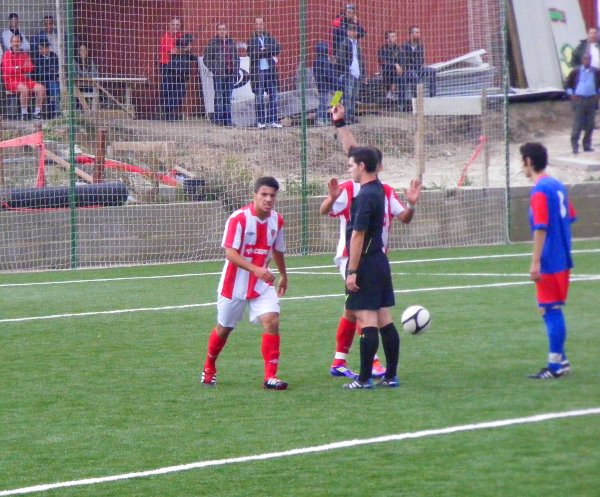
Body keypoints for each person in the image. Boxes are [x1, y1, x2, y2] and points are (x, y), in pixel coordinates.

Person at [321, 103, 422, 385]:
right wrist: (340, 124)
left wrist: (353, 272)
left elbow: (359, 235)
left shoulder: (366, 194)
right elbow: (353, 151)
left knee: (365, 317)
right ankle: (385, 374)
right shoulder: (373, 189)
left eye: (352, 165)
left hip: (362, 260)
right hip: (376, 259)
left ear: (363, 166)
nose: (349, 166)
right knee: (378, 317)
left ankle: (365, 374)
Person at [200, 176, 289, 390]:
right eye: (264, 194)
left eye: (272, 195)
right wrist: (256, 269)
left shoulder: (277, 220)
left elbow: (278, 250)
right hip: (234, 284)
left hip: (261, 284)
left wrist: (283, 275)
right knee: (224, 329)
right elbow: (230, 253)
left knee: (272, 321)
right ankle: (209, 365)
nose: (268, 199)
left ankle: (270, 376)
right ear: (254, 195)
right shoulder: (239, 218)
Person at [520, 143, 576, 379]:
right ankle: (561, 360)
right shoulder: (557, 185)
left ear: (529, 161)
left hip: (551, 260)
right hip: (562, 256)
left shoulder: (540, 190)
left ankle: (555, 366)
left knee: (551, 308)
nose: (522, 166)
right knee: (546, 307)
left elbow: (541, 227)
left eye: (522, 161)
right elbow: (570, 217)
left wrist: (536, 261)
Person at [247, 17, 282, 129]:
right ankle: (261, 121)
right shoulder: (251, 40)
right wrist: (266, 52)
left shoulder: (270, 38)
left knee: (274, 96)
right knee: (259, 97)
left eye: (261, 24)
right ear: (254, 26)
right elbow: (252, 53)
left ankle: (273, 120)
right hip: (258, 72)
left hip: (270, 71)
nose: (259, 26)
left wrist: (265, 50)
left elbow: (277, 49)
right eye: (257, 24)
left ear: (264, 25)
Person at [1, 34, 45, 120]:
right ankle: (24, 114)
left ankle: (37, 113)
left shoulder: (24, 54)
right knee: (24, 89)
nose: (16, 44)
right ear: (11, 43)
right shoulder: (6, 55)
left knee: (41, 88)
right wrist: (21, 67)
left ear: (20, 43)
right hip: (10, 81)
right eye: (14, 42)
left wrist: (17, 68)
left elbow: (31, 68)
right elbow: (8, 70)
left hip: (23, 79)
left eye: (17, 42)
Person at [204, 23, 239, 127]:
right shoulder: (213, 43)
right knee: (219, 97)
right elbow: (206, 59)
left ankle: (228, 120)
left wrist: (236, 70)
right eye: (220, 29)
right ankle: (218, 119)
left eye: (223, 29)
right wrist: (214, 69)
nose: (222, 31)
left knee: (228, 98)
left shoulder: (231, 43)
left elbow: (236, 58)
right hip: (219, 74)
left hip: (230, 74)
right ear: (217, 31)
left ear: (227, 31)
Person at [565, 52, 600, 154]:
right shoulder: (576, 71)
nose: (587, 61)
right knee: (578, 123)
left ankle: (587, 144)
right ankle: (575, 145)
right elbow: (568, 85)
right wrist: (571, 94)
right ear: (582, 60)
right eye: (585, 59)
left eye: (588, 59)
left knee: (590, 123)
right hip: (579, 99)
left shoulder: (596, 72)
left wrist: (598, 93)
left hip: (591, 99)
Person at [162, 33, 195, 121]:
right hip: (174, 71)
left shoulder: (186, 50)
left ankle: (168, 110)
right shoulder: (179, 44)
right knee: (175, 92)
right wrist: (186, 49)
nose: (191, 44)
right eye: (190, 42)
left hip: (182, 73)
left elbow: (191, 57)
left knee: (180, 92)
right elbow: (174, 51)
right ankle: (167, 110)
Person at [401, 25, 436, 99]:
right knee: (415, 76)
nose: (419, 34)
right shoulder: (404, 46)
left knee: (432, 71)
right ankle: (417, 99)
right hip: (408, 70)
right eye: (417, 32)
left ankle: (433, 97)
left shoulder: (421, 46)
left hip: (418, 68)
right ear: (411, 34)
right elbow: (404, 62)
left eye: (419, 32)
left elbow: (421, 61)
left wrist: (418, 64)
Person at [158, 17, 183, 120]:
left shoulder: (182, 36)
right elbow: (173, 51)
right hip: (167, 66)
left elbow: (189, 48)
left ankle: (168, 109)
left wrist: (183, 49)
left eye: (177, 25)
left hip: (179, 66)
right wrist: (184, 49)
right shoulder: (166, 37)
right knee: (167, 89)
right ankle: (168, 113)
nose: (175, 27)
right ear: (169, 26)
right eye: (173, 24)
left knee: (181, 90)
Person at [312, 41, 337, 126]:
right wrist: (334, 82)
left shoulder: (316, 61)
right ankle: (320, 119)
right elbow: (328, 73)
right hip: (326, 84)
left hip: (320, 84)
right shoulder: (324, 61)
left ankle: (324, 119)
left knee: (324, 102)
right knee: (324, 102)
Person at [32, 40, 59, 118]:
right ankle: (55, 111)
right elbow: (39, 73)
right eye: (42, 48)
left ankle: (58, 110)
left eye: (46, 47)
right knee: (54, 87)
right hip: (42, 81)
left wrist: (52, 71)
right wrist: (51, 71)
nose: (45, 49)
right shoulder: (37, 58)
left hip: (55, 78)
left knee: (60, 85)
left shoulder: (53, 55)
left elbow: (57, 68)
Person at [377, 30, 404, 105]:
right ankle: (391, 92)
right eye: (392, 37)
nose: (395, 38)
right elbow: (382, 61)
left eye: (395, 36)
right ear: (387, 39)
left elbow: (403, 60)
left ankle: (392, 93)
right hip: (387, 71)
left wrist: (401, 67)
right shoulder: (382, 49)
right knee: (392, 70)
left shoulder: (399, 49)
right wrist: (395, 64)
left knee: (398, 71)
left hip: (399, 72)